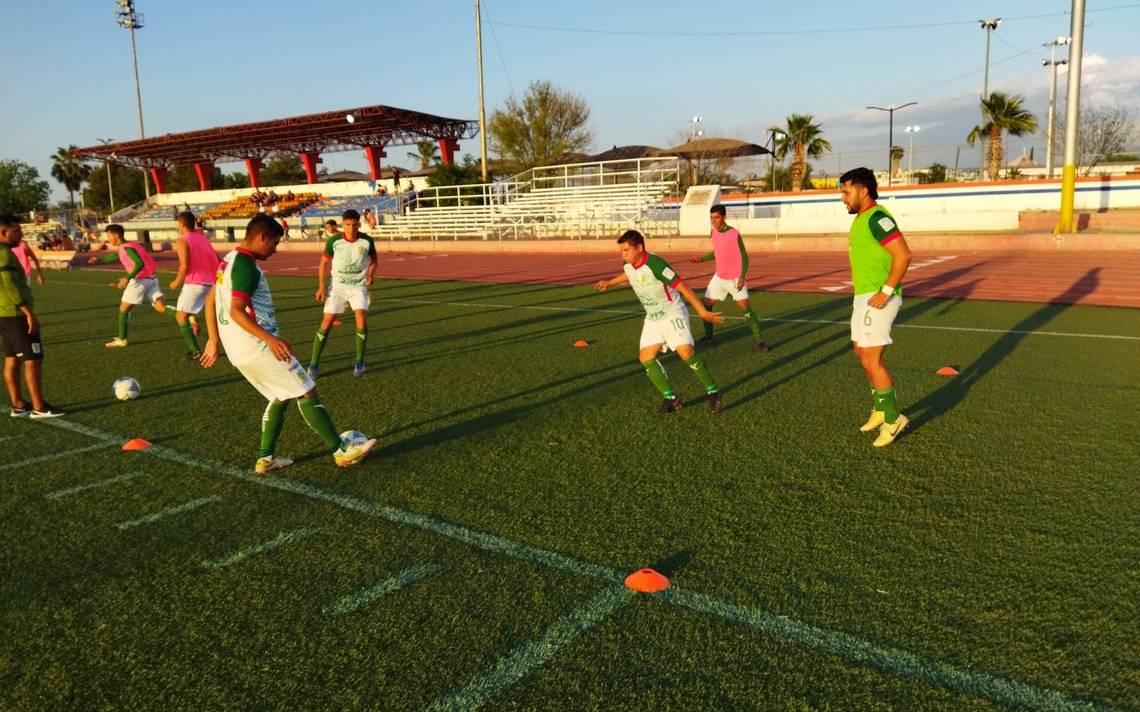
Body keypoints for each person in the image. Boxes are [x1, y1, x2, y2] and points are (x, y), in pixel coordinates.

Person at [198, 214, 376, 474]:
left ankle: (265, 459)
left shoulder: (228, 260)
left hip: (239, 351)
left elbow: (210, 300)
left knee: (279, 397)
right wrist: (270, 339)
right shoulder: (245, 266)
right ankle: (340, 451)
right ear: (261, 237)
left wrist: (214, 340)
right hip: (258, 347)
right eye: (274, 243)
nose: (275, 249)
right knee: (306, 390)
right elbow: (236, 311)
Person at [594, 229, 725, 414]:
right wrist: (609, 282)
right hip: (653, 317)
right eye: (621, 251)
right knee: (645, 357)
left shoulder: (656, 264)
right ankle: (671, 398)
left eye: (626, 250)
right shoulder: (629, 264)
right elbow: (629, 274)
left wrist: (702, 311)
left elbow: (683, 287)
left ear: (639, 248)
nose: (623, 254)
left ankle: (713, 391)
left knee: (685, 351)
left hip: (672, 312)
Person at [838, 167, 913, 447]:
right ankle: (881, 409)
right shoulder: (861, 218)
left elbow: (903, 255)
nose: (843, 197)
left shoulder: (877, 218)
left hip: (879, 297)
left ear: (863, 190)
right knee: (860, 351)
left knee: (871, 358)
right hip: (864, 297)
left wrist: (886, 291)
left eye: (846, 191)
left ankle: (894, 419)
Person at [0, 214, 64, 417]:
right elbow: (8, 283)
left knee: (12, 358)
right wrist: (28, 312)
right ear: (3, 233)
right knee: (32, 358)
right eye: (16, 231)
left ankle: (19, 405)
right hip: (15, 312)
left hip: (4, 313)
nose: (20, 234)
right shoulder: (4, 254)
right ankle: (39, 407)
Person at [309, 209, 377, 378]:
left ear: (359, 225)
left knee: (361, 316)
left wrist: (370, 274)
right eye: (347, 225)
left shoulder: (367, 241)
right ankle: (313, 364)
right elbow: (323, 263)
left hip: (358, 286)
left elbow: (374, 260)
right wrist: (321, 287)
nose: (351, 228)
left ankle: (360, 360)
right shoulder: (334, 241)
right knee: (327, 321)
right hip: (337, 286)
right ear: (342, 224)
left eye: (354, 225)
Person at [690, 204, 768, 352]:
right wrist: (702, 259)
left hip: (734, 279)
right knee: (706, 304)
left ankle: (760, 341)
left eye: (717, 217)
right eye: (711, 218)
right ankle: (709, 337)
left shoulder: (733, 233)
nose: (714, 220)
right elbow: (717, 252)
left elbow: (744, 256)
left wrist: (742, 277)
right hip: (719, 277)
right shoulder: (713, 233)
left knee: (745, 308)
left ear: (724, 217)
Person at [103, 224, 170, 349]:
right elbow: (116, 256)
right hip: (152, 279)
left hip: (140, 281)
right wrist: (98, 260)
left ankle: (122, 339)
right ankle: (186, 316)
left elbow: (139, 263)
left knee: (124, 309)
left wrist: (127, 278)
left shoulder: (127, 248)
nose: (108, 238)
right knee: (161, 307)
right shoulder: (133, 245)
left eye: (109, 235)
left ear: (116, 235)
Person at [168, 211, 220, 359]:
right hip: (212, 283)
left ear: (182, 224)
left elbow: (184, 266)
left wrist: (175, 282)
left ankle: (196, 351)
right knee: (216, 317)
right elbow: (217, 258)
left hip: (195, 283)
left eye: (178, 223)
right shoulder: (203, 239)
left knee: (180, 317)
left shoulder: (182, 240)